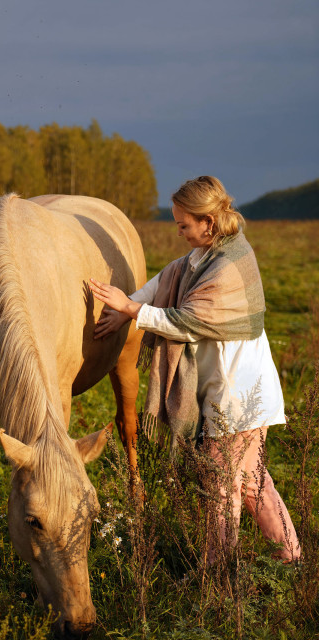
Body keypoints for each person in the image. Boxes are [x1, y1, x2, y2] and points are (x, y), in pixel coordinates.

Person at [89, 175, 301, 565]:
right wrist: (125, 310)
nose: (180, 232)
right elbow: (165, 280)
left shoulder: (231, 265)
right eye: (177, 224)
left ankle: (218, 577)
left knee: (221, 486)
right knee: (252, 482)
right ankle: (291, 559)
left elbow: (186, 321)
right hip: (234, 393)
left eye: (184, 225)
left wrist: (133, 311)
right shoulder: (203, 258)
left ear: (208, 221)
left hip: (239, 397)